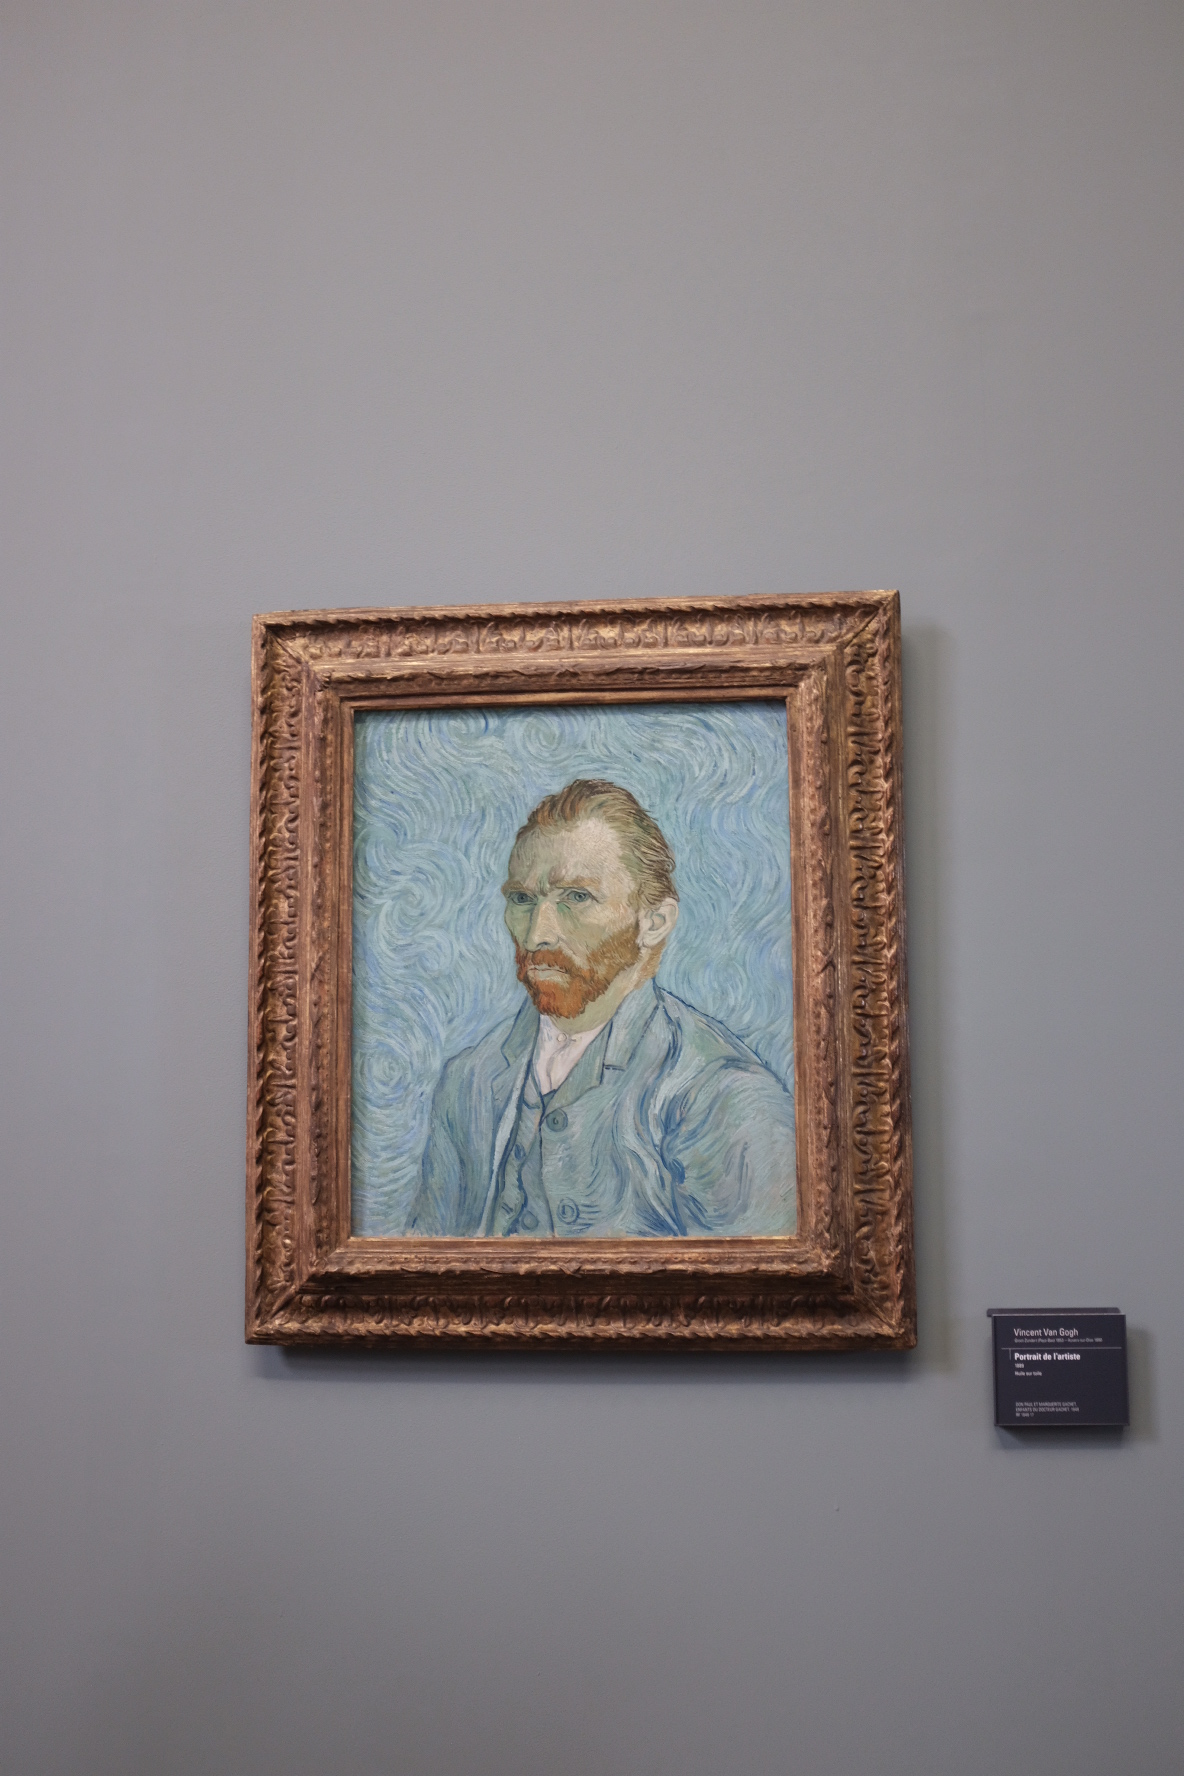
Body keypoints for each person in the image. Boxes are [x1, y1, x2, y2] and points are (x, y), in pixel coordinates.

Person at [408, 779, 796, 1237]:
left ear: (654, 922)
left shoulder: (724, 1093)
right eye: (522, 899)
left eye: (576, 897)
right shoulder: (467, 1081)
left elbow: (758, 1279)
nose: (537, 935)